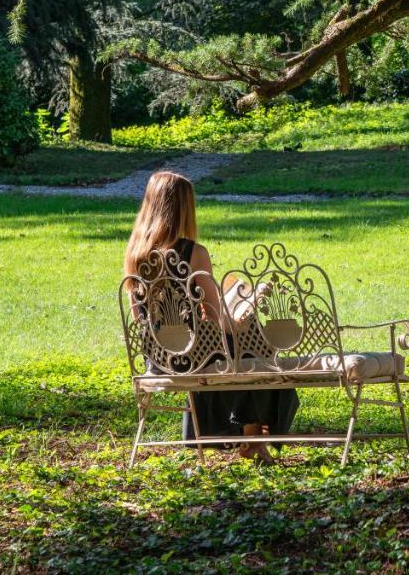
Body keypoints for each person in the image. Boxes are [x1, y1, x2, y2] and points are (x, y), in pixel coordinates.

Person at [123, 170, 299, 462]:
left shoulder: (134, 256)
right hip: (195, 356)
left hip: (158, 360)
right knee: (258, 351)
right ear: (184, 209)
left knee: (243, 353)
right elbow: (219, 321)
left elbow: (139, 318)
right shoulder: (194, 253)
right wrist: (248, 304)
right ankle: (253, 439)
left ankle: (248, 438)